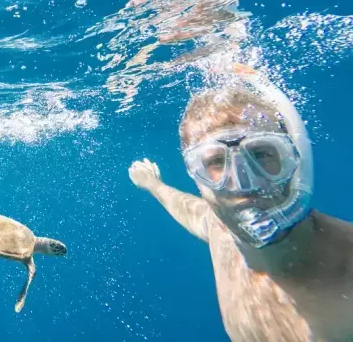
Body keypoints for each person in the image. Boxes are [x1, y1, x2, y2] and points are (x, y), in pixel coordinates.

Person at [128, 68, 353, 341]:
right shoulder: (220, 230)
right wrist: (154, 185)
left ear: (294, 161)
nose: (241, 180)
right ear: (195, 176)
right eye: (215, 161)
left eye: (260, 153)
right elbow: (193, 211)